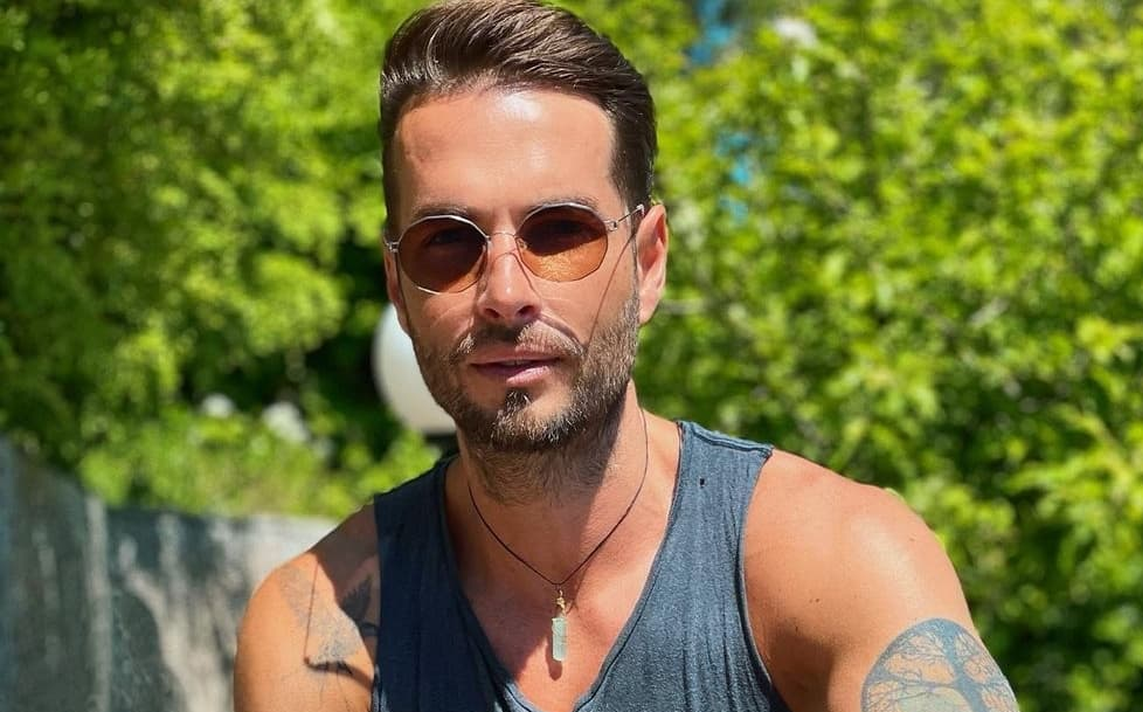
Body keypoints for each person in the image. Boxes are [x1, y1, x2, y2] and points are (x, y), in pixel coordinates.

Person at [234, 2, 1020, 711]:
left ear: (648, 263)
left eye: (559, 233)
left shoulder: (842, 562)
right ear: (398, 289)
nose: (504, 293)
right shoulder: (320, 634)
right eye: (447, 242)